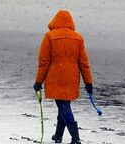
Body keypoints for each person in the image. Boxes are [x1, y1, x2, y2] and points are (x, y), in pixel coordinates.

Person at [34, 9, 93, 144]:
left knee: (63, 106)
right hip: (71, 79)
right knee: (63, 104)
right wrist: (88, 82)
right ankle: (58, 135)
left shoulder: (49, 37)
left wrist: (38, 82)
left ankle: (76, 137)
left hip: (56, 78)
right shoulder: (78, 38)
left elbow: (44, 63)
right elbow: (84, 63)